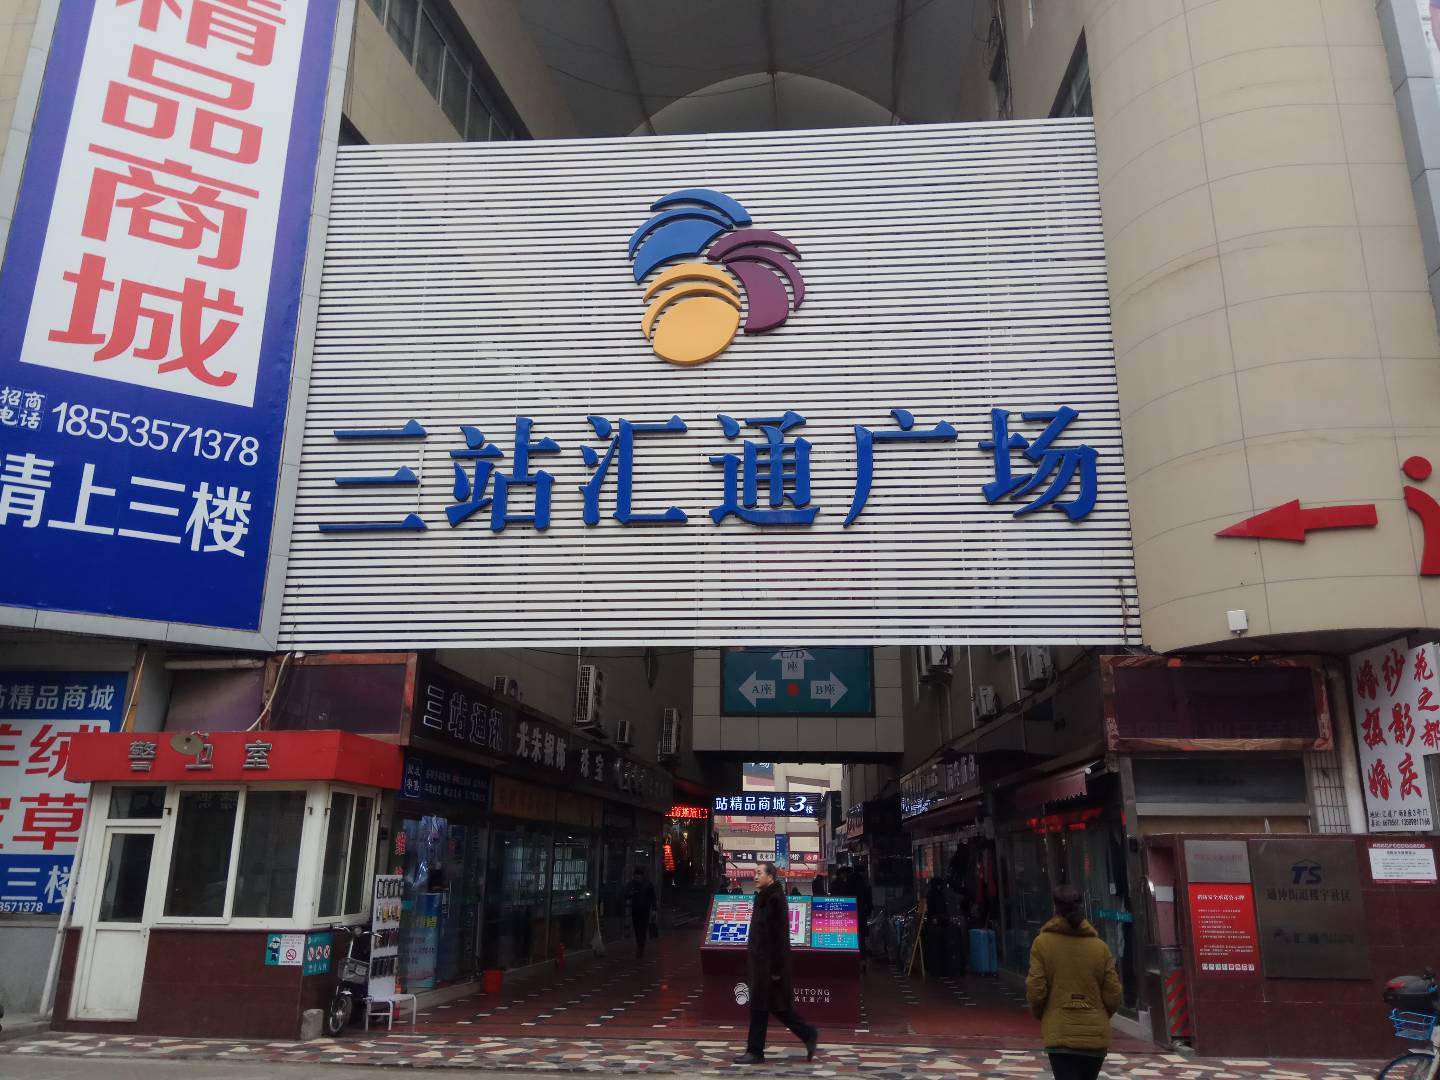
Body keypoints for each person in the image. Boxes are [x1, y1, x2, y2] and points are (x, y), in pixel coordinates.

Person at [1025, 885, 1122, 1080]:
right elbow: (1114, 994)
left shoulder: (1042, 943)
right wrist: (1099, 1014)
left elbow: (1036, 990)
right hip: (1095, 1035)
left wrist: (1044, 1014)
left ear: (1055, 908)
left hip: (1060, 1033)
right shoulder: (1100, 947)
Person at [733, 862, 819, 1065]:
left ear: (770, 877)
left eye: (759, 873)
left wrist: (776, 970)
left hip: (768, 967)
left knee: (761, 1008)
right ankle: (807, 1034)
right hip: (762, 965)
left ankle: (755, 1051)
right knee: (777, 1008)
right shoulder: (764, 897)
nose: (755, 876)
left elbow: (778, 938)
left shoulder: (774, 899)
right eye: (754, 873)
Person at [623, 867, 657, 959]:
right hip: (635, 909)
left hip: (645, 909)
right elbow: (625, 894)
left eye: (639, 876)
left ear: (642, 876)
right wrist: (630, 894)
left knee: (643, 928)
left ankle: (640, 946)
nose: (637, 878)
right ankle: (639, 943)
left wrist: (654, 909)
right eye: (636, 876)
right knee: (637, 928)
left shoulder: (648, 884)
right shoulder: (631, 884)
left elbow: (653, 897)